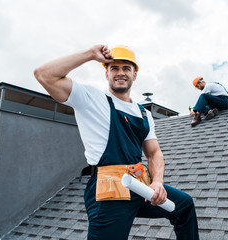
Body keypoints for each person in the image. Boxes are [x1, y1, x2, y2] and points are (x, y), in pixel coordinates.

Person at [34, 44, 199, 240]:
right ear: (107, 74)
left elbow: (154, 153)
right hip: (109, 191)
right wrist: (89, 55)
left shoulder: (143, 113)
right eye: (114, 68)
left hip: (139, 185)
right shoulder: (91, 99)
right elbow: (44, 74)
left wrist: (157, 182)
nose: (120, 73)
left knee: (184, 205)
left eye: (126, 68)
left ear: (134, 75)